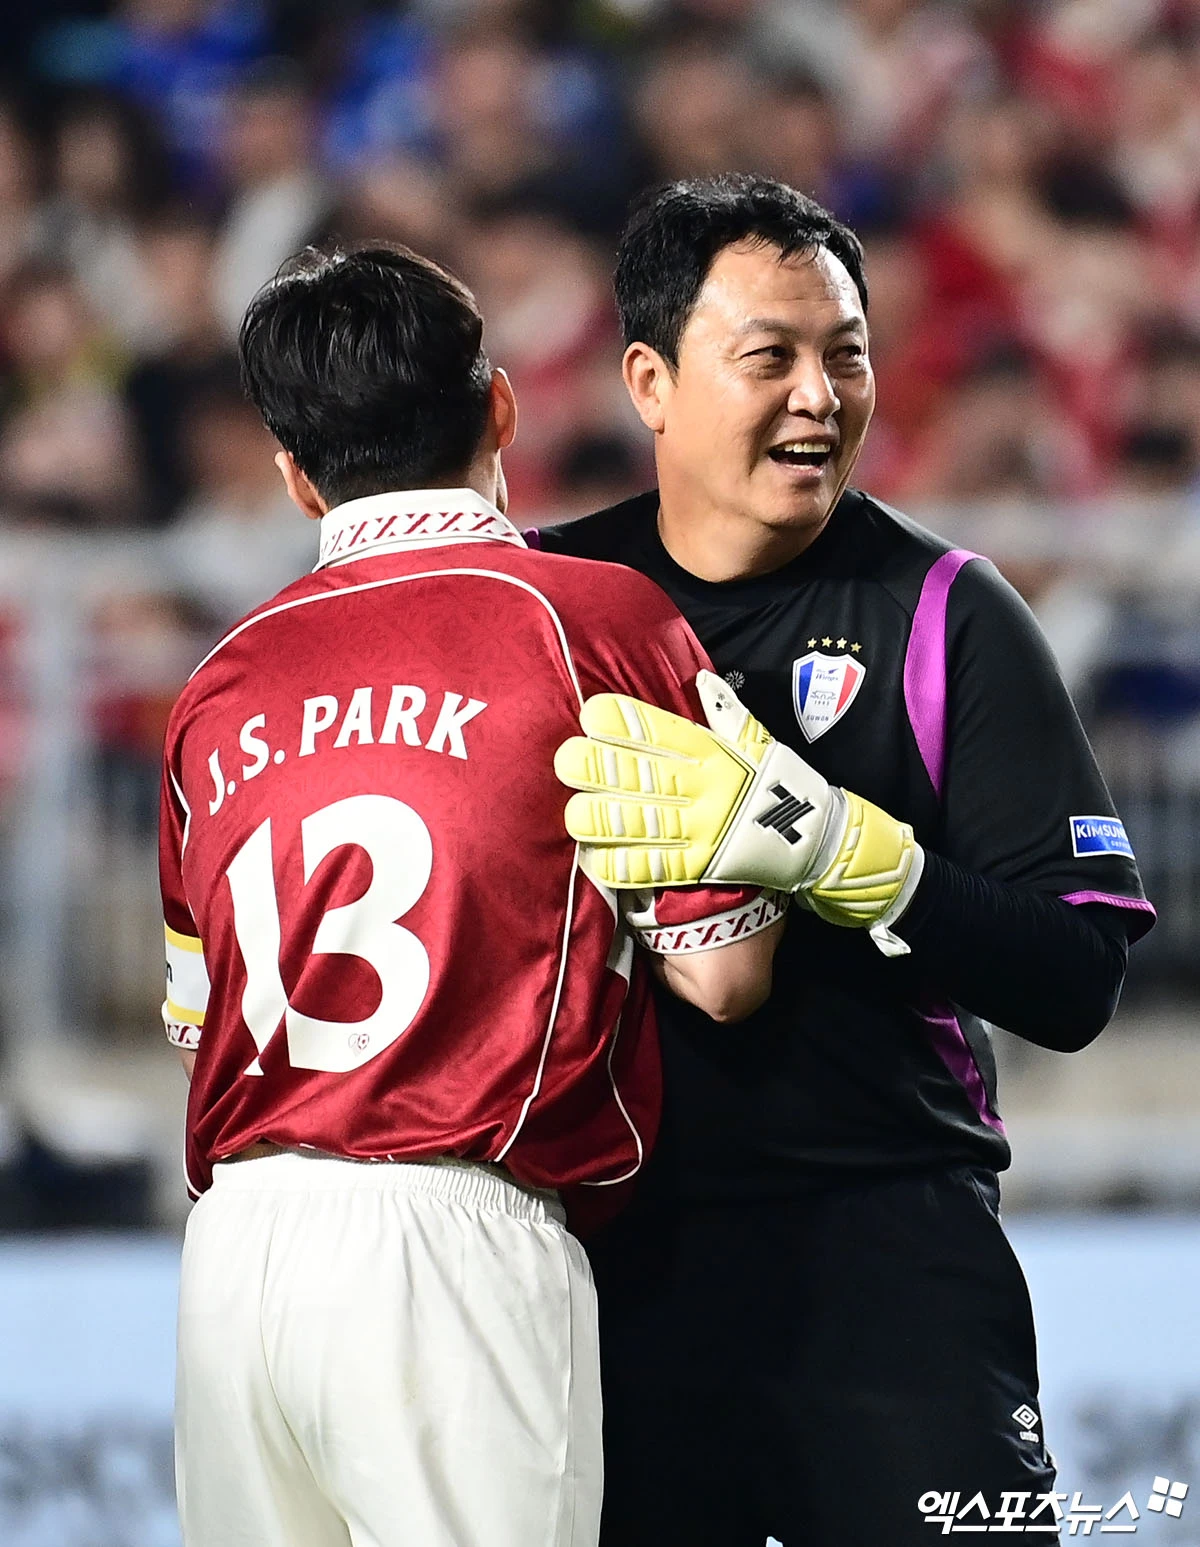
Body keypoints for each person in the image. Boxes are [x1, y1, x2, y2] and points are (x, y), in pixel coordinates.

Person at [540, 174, 1155, 1547]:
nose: (819, 396)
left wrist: (853, 859)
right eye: (771, 356)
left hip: (892, 1254)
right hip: (612, 1261)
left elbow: (1075, 978)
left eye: (848, 355)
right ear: (650, 382)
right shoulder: (544, 606)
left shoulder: (949, 611)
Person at [157, 242, 785, 1547]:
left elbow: (193, 1021)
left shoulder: (218, 682)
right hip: (455, 1237)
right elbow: (725, 973)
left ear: (294, 472)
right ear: (501, 406)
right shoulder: (595, 622)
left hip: (235, 1253)